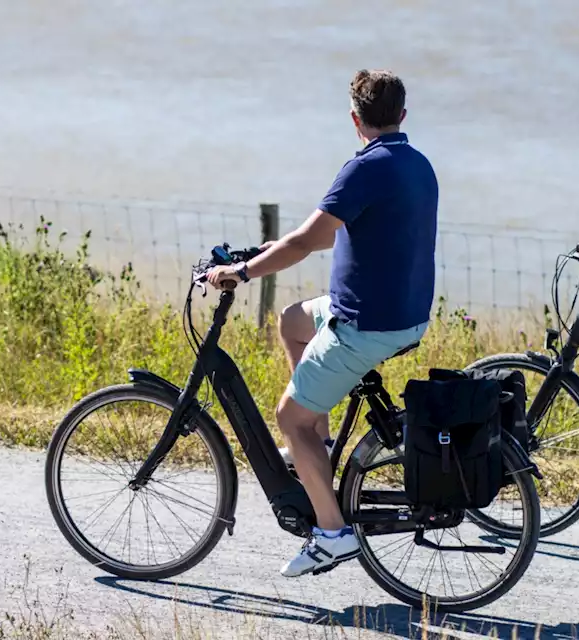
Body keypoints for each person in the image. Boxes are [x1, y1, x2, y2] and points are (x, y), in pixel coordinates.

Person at [204, 69, 438, 577]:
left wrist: (241, 271)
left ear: (355, 120)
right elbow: (334, 231)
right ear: (402, 115)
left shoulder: (364, 168)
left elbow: (308, 240)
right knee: (291, 321)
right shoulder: (417, 164)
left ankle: (332, 534)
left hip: (365, 323)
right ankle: (318, 448)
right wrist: (274, 250)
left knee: (289, 417)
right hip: (400, 313)